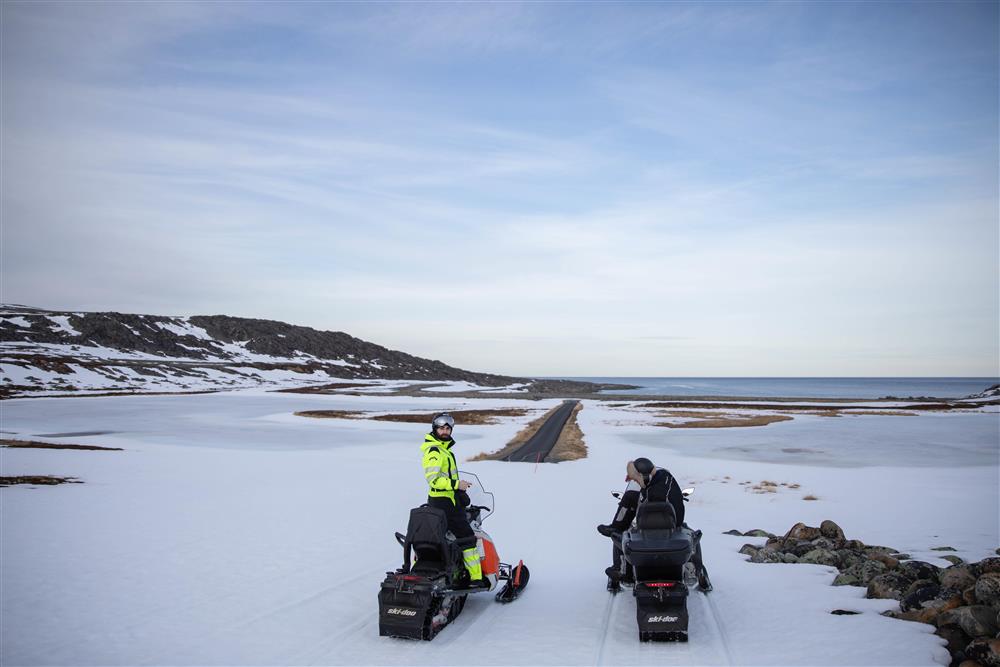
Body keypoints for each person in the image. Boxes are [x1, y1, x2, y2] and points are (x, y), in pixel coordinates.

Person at [597, 457, 711, 591]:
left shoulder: (650, 494)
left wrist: (619, 525)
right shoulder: (666, 477)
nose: (635, 481)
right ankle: (698, 570)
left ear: (644, 477)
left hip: (649, 527)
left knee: (619, 535)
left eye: (636, 479)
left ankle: (620, 570)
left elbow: (638, 505)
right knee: (692, 535)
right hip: (672, 524)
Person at [421, 412, 487, 588]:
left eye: (447, 428)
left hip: (446, 500)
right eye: (441, 428)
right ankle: (475, 578)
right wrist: (457, 484)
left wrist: (459, 489)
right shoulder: (435, 452)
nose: (445, 431)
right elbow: (433, 480)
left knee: (444, 538)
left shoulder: (444, 450)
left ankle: (452, 569)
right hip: (444, 503)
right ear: (434, 429)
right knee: (467, 538)